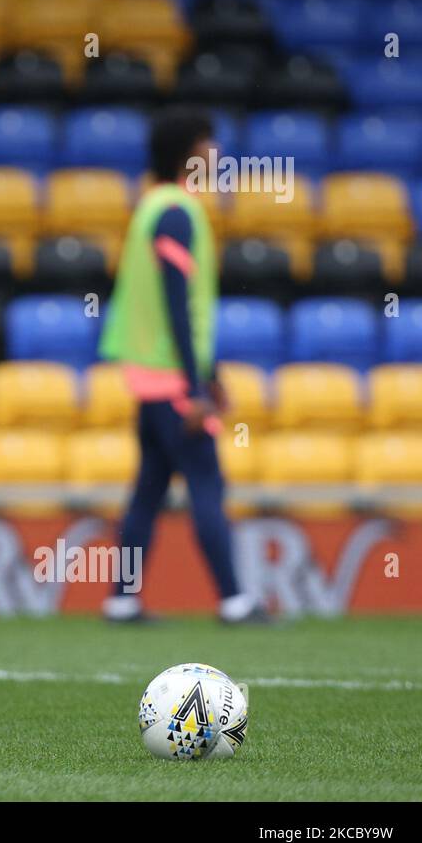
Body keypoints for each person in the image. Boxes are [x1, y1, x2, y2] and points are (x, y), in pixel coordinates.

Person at [98, 107, 269, 625]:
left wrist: (209, 372)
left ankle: (122, 600)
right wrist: (196, 387)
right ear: (186, 153)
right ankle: (236, 601)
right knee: (207, 484)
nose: (216, 152)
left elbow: (177, 305)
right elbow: (177, 303)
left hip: (149, 376)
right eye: (207, 142)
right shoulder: (178, 210)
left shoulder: (153, 206)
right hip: (173, 379)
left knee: (149, 491)